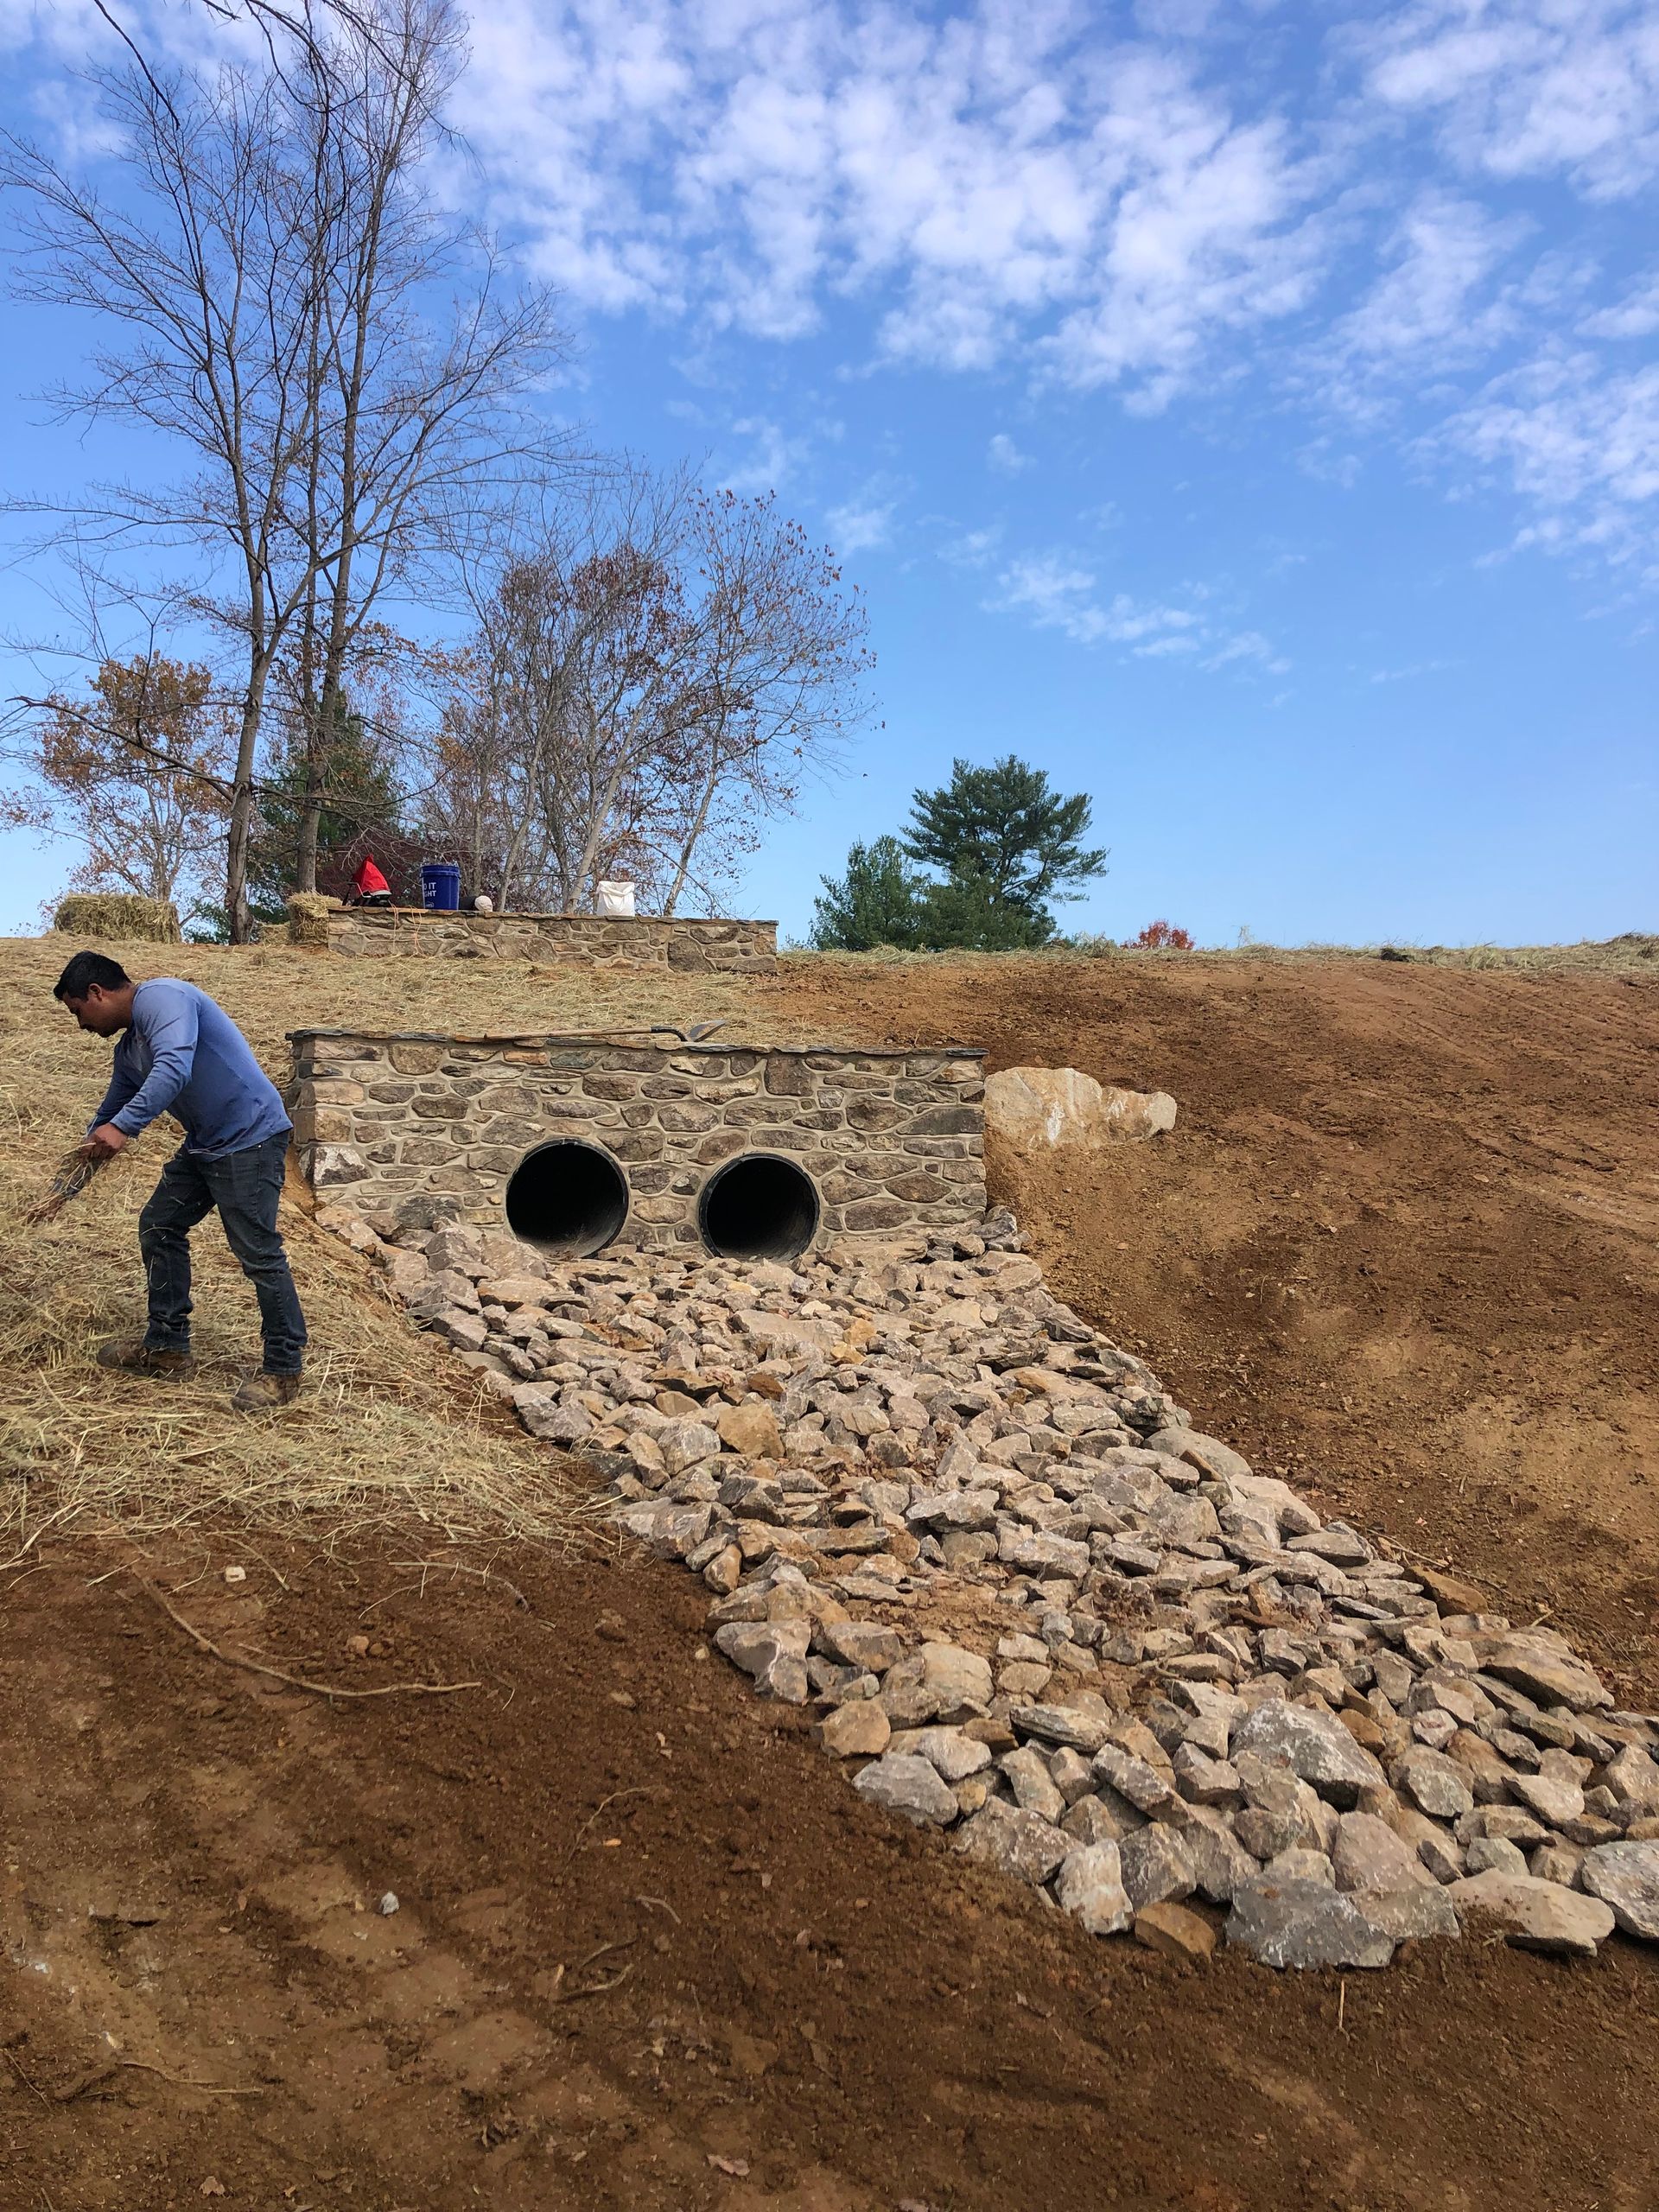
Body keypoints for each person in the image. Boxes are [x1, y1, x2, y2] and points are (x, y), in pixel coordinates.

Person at [53, 951, 307, 1411]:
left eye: (78, 1011)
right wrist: (64, 1185)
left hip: (250, 1138)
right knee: (159, 1225)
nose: (80, 1025)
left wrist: (124, 1129)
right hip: (205, 1144)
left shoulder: (164, 997)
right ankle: (168, 1346)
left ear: (96, 992)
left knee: (259, 1254)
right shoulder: (129, 1050)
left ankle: (283, 1372)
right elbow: (107, 1117)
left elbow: (174, 1068)